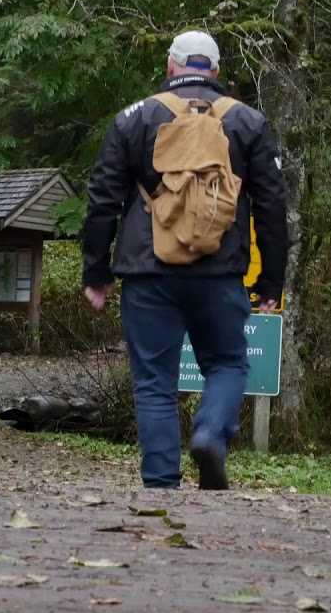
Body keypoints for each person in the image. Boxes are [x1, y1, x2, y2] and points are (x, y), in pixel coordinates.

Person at [81, 29, 288, 490]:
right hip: (220, 274)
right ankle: (211, 435)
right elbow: (273, 207)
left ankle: (161, 484)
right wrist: (271, 283)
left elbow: (102, 200)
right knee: (229, 364)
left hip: (148, 272)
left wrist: (96, 272)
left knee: (155, 380)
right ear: (215, 71)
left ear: (171, 66)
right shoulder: (248, 122)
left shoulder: (135, 118)